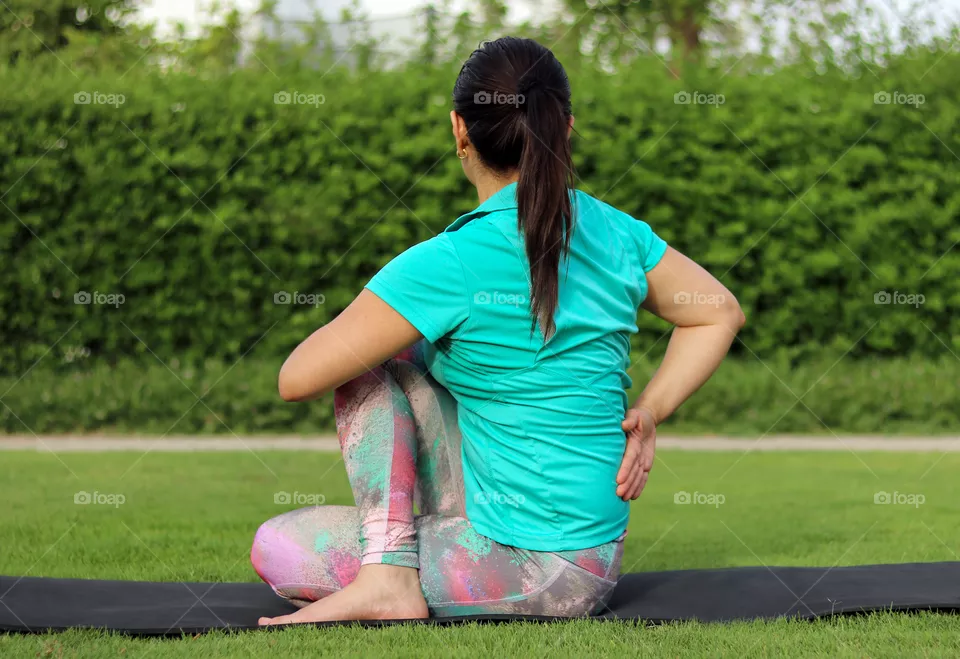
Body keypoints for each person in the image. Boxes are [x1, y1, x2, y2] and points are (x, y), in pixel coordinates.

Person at [252, 36, 745, 625]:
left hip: (538, 569)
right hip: (593, 556)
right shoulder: (617, 233)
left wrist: (408, 321)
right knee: (404, 362)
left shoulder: (450, 260)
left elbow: (297, 376)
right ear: (566, 127)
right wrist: (651, 411)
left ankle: (388, 578)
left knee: (278, 544)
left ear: (460, 130)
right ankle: (400, 562)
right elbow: (717, 310)